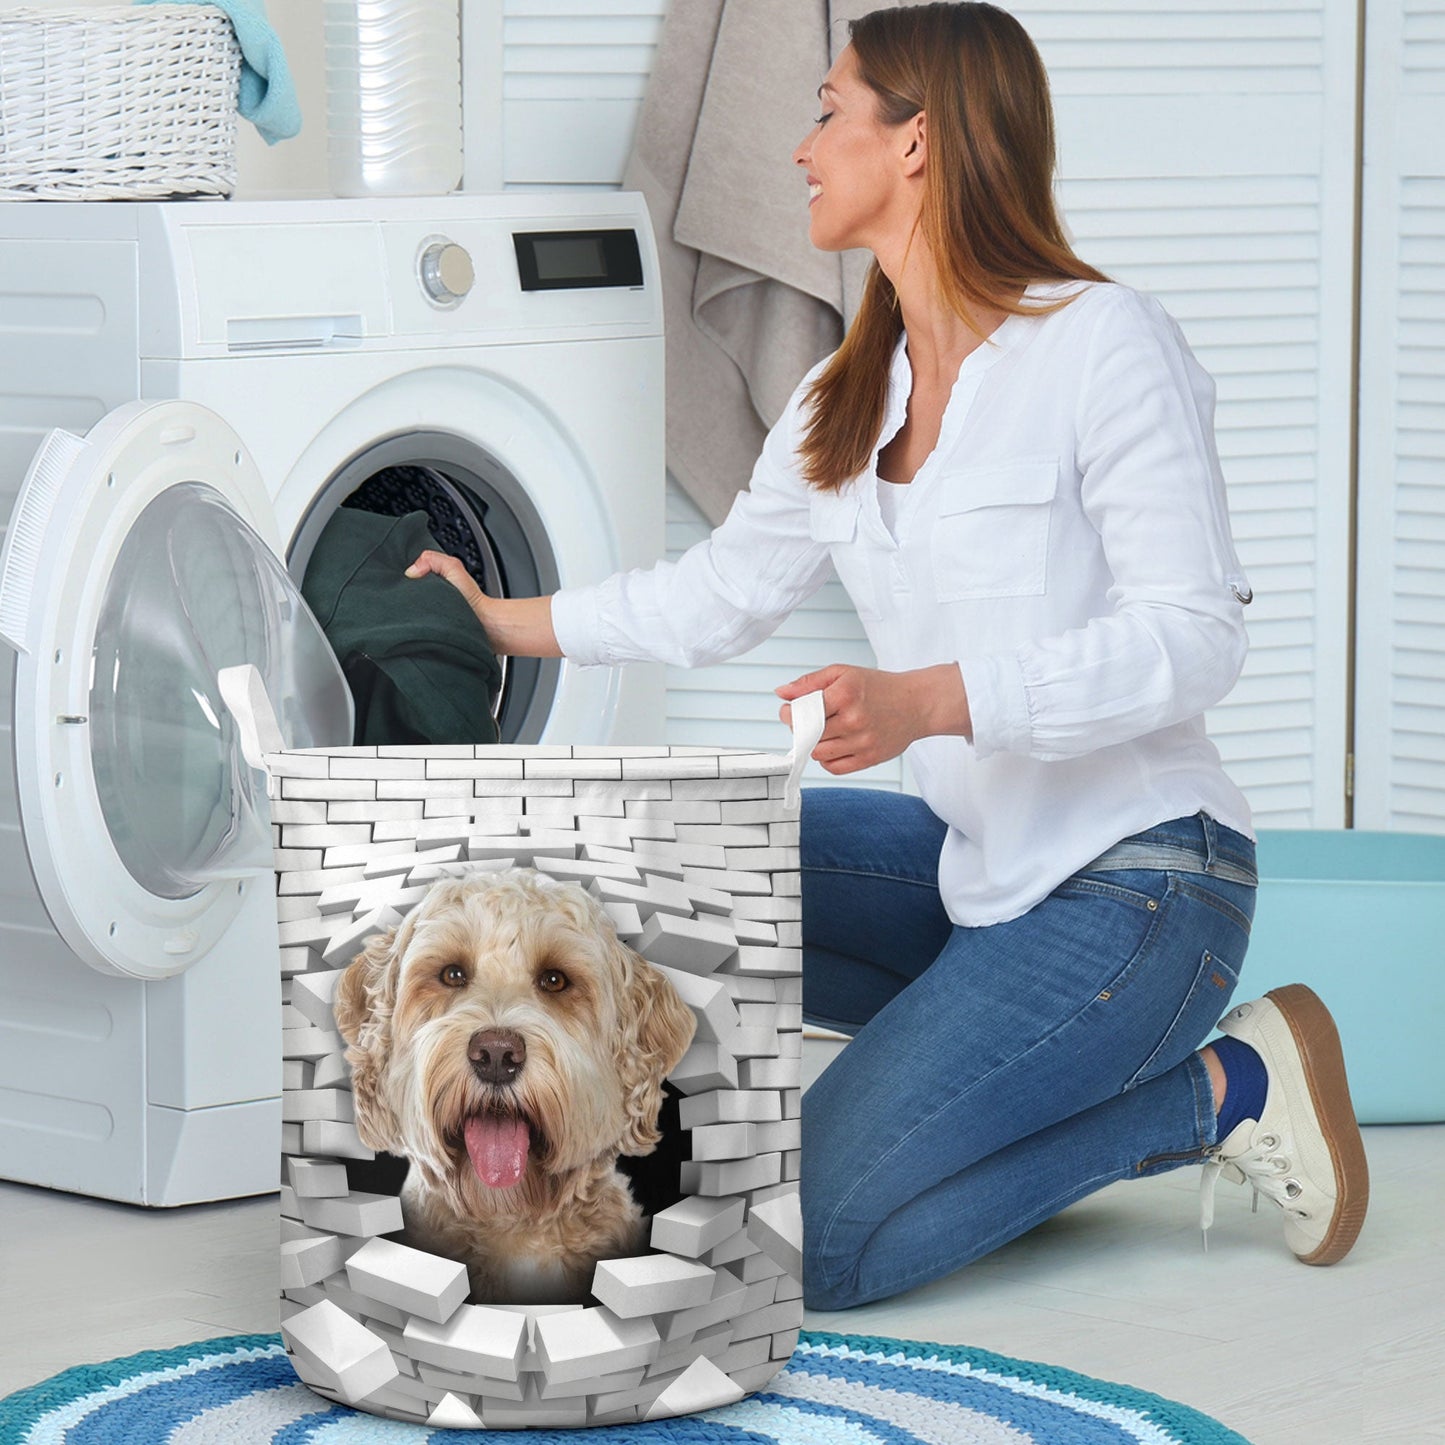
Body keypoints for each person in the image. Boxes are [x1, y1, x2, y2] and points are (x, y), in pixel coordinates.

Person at [406, 0, 1368, 1311]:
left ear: (915, 142)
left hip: (1142, 886)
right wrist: (507, 617)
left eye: (826, 113)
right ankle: (855, 1100)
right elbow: (716, 596)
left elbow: (1195, 640)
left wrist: (934, 701)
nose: (798, 148)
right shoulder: (842, 396)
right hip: (979, 876)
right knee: (644, 872)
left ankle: (1222, 1091)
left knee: (823, 1240)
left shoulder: (1100, 342)